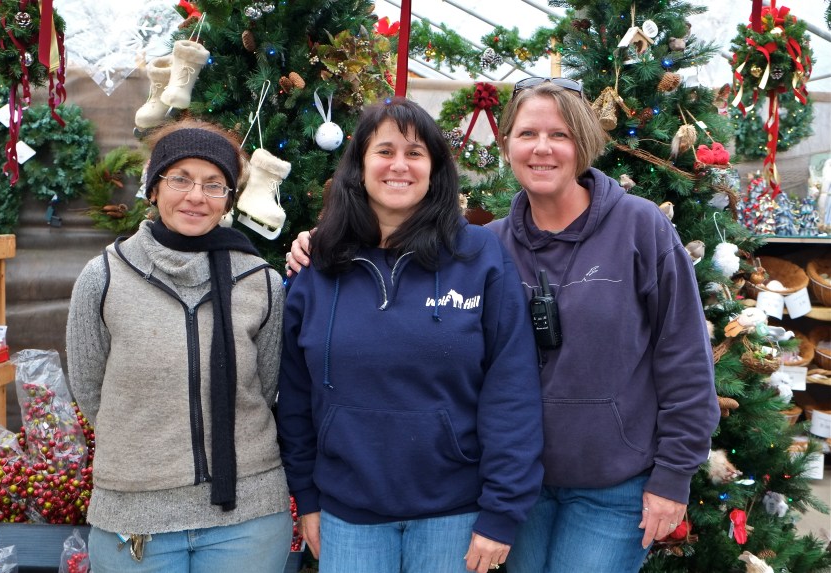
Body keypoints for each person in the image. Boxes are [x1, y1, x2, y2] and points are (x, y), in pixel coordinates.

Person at [286, 79, 720, 572]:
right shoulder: (487, 245)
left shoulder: (639, 227)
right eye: (527, 134)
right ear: (506, 144)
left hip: (611, 480)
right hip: (517, 488)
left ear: (584, 142)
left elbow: (683, 357)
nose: (541, 148)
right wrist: (316, 242)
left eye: (559, 135)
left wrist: (673, 475)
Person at [275, 97, 544, 573]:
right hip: (347, 514)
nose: (399, 165)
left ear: (435, 170)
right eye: (384, 151)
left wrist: (502, 512)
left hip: (455, 515)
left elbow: (512, 390)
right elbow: (295, 397)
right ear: (359, 165)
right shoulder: (318, 263)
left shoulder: (479, 256)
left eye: (415, 153)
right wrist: (308, 498)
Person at [66, 118, 292, 572]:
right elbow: (90, 389)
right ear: (153, 188)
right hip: (134, 516)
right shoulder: (104, 277)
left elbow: (265, 389)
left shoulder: (261, 283)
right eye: (180, 179)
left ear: (228, 200)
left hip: (246, 518)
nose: (195, 196)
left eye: (214, 185)